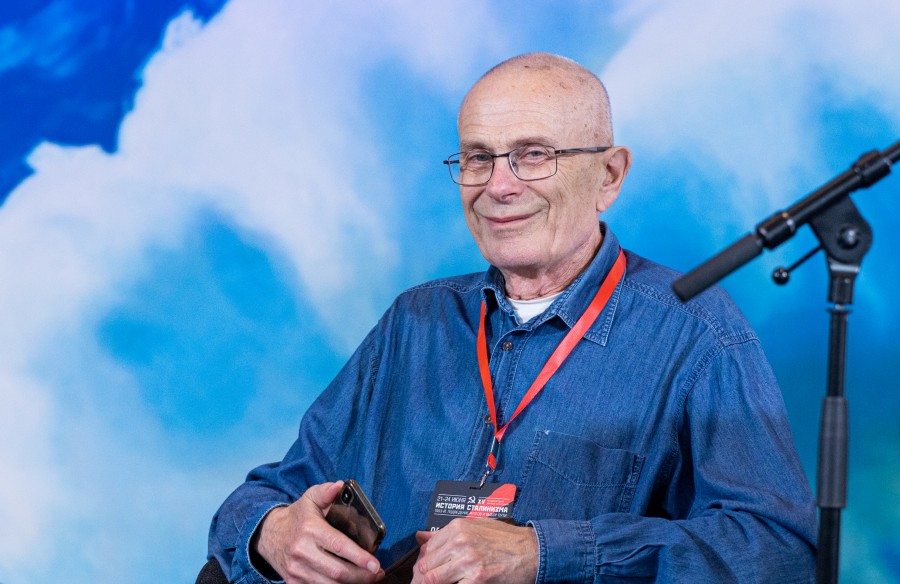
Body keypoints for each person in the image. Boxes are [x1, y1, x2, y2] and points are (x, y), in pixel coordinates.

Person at [207, 53, 817, 583]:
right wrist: (273, 533)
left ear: (609, 175)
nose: (498, 186)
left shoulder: (697, 332)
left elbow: (781, 551)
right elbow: (269, 493)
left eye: (533, 155)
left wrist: (544, 554)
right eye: (478, 158)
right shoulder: (415, 321)